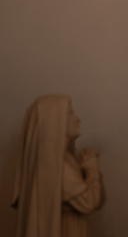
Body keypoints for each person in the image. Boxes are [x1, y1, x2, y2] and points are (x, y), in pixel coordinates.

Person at [12, 95, 105, 237]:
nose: (77, 119)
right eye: (70, 113)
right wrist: (92, 168)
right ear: (55, 120)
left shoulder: (57, 160)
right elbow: (90, 202)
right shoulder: (57, 167)